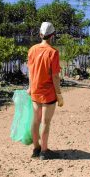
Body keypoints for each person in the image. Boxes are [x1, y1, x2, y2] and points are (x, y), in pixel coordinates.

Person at [27, 22, 64, 160]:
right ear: (52, 35)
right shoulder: (53, 52)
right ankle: (44, 151)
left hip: (35, 90)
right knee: (45, 121)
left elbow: (30, 71)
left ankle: (35, 148)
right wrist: (59, 94)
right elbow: (55, 76)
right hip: (48, 92)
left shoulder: (32, 49)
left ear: (40, 34)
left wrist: (30, 87)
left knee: (35, 120)